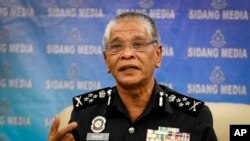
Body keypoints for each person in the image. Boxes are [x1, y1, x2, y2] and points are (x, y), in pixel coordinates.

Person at [48, 12, 217, 141]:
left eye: (138, 44)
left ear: (158, 55)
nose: (127, 54)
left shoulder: (193, 116)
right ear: (107, 61)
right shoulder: (84, 114)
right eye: (116, 46)